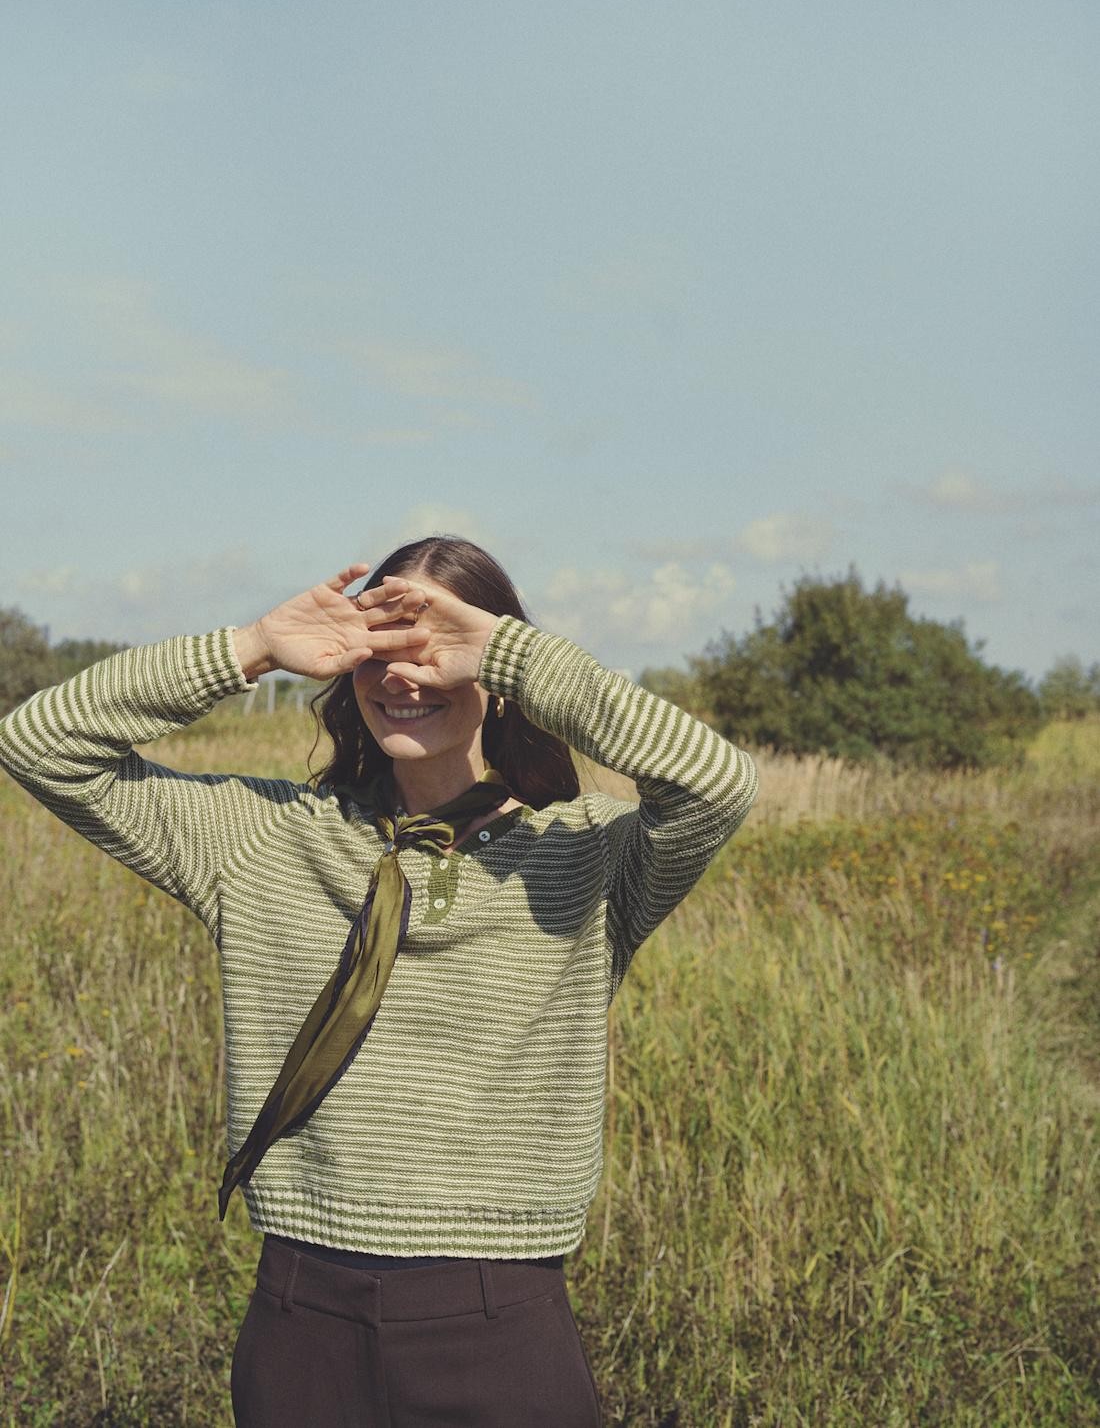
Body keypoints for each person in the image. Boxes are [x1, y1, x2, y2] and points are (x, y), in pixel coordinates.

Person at [0, 536, 758, 1427]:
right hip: (300, 1314)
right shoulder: (263, 840)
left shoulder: (588, 855)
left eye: (434, 642)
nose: (405, 674)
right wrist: (248, 646)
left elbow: (716, 784)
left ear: (494, 667)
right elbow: (40, 741)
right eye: (383, 646)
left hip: (500, 1319)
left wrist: (509, 648)